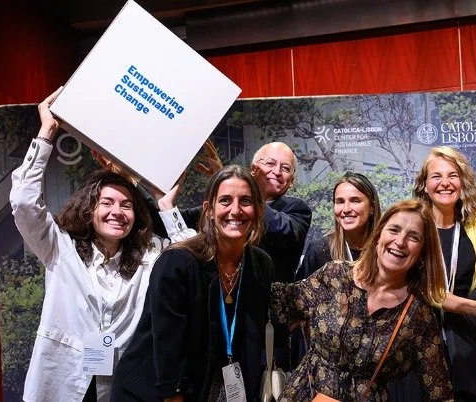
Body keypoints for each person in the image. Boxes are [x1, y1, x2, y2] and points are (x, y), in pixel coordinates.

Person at [11, 87, 159, 402]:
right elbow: (24, 203)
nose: (117, 212)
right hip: (61, 382)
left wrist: (167, 206)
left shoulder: (149, 257)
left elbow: (194, 255)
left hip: (121, 387)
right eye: (107, 202)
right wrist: (47, 132)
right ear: (89, 209)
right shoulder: (59, 248)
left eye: (126, 205)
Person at [112, 165, 273, 401]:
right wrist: (174, 395)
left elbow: (249, 337)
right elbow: (168, 346)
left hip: (211, 386)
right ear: (208, 210)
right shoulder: (178, 262)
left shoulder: (260, 264)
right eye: (225, 200)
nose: (235, 210)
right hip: (154, 390)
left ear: (259, 210)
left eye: (246, 201)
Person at [269, 199, 454, 401]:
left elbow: (439, 392)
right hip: (303, 395)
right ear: (378, 235)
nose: (400, 242)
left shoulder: (419, 315)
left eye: (413, 237)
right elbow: (278, 304)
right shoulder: (335, 275)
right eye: (394, 230)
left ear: (422, 251)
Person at [161, 141, 312, 370]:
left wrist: (235, 182)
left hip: (263, 335)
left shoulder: (296, 210)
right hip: (215, 326)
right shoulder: (218, 214)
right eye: (270, 163)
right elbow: (165, 221)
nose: (277, 171)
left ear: (291, 180)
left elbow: (285, 231)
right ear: (253, 168)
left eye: (286, 168)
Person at [409, 146, 476, 401]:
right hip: (420, 333)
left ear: (462, 182)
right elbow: (423, 288)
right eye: (436, 176)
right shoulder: (413, 224)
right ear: (424, 184)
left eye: (453, 175)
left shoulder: (475, 221)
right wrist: (474, 307)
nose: (445, 183)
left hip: (464, 336)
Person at [296, 171, 382, 280]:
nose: (346, 209)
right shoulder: (319, 251)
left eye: (355, 201)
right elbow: (300, 295)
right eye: (340, 202)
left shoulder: (386, 250)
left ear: (372, 207)